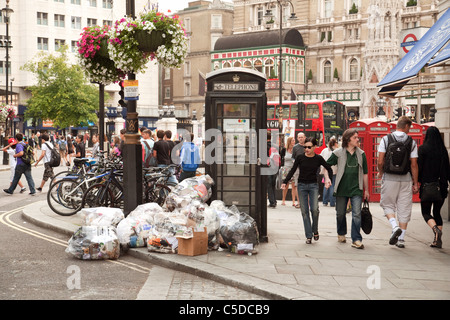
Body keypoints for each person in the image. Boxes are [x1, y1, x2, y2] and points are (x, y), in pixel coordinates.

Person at [377, 116, 419, 248]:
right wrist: (415, 182)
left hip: (389, 177)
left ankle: (394, 227)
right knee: (404, 207)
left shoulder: (386, 139)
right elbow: (414, 164)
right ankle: (401, 239)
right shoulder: (411, 142)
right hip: (405, 178)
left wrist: (381, 172)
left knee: (387, 204)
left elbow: (380, 161)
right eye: (409, 127)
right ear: (406, 126)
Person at [281, 137, 332, 244]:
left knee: (314, 210)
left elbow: (329, 167)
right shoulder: (300, 157)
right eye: (305, 147)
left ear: (314, 147)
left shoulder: (318, 158)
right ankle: (309, 236)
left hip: (313, 186)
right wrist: (285, 182)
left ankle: (315, 230)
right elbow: (293, 170)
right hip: (302, 186)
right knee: (304, 212)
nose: (307, 149)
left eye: (309, 147)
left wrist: (329, 180)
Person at [326, 130, 369, 249]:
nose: (358, 140)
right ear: (348, 139)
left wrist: (367, 190)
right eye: (355, 137)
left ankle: (356, 239)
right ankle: (341, 233)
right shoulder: (338, 153)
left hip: (356, 188)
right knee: (340, 214)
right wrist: (327, 178)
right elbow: (326, 165)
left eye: (358, 137)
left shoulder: (361, 154)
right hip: (341, 188)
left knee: (356, 214)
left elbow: (365, 173)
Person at [418, 126, 450, 248]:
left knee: (426, 212)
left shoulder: (423, 149)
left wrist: (417, 181)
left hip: (427, 186)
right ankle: (437, 240)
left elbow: (419, 168)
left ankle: (435, 229)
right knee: (437, 212)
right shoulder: (443, 151)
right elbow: (448, 169)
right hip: (441, 187)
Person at [280, 137, 299, 207]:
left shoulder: (295, 149)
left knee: (294, 185)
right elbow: (281, 157)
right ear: (289, 142)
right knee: (286, 184)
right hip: (286, 168)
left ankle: (293, 201)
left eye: (294, 140)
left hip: (294, 168)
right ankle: (283, 200)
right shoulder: (284, 150)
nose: (294, 142)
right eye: (292, 140)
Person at [320, 138, 338, 207]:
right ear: (335, 144)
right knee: (332, 185)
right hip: (334, 170)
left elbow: (320, 157)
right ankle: (332, 202)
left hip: (325, 170)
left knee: (326, 185)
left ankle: (325, 201)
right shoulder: (336, 151)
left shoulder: (324, 150)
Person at [266, 131, 280, 208]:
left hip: (268, 167)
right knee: (273, 184)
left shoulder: (263, 146)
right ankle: (274, 200)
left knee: (269, 185)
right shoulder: (275, 146)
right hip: (275, 167)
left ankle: (272, 202)